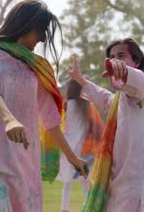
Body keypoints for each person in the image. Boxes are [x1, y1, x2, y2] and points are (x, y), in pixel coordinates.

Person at [0, 0, 87, 212]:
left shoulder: (35, 66)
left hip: (25, 165)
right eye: (41, 30)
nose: (43, 38)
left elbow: (51, 118)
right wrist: (9, 119)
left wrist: (72, 157)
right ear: (26, 24)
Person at [69, 38, 144, 212]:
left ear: (136, 62)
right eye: (112, 57)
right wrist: (81, 80)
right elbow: (105, 97)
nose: (115, 60)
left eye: (121, 55)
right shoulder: (119, 100)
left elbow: (136, 79)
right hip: (121, 186)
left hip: (143, 191)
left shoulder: (143, 88)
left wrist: (124, 72)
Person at [57, 80, 104, 212]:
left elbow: (61, 126)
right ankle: (88, 208)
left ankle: (64, 209)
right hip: (85, 148)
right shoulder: (88, 106)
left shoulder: (65, 105)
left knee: (67, 183)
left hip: (69, 148)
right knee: (86, 182)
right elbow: (96, 128)